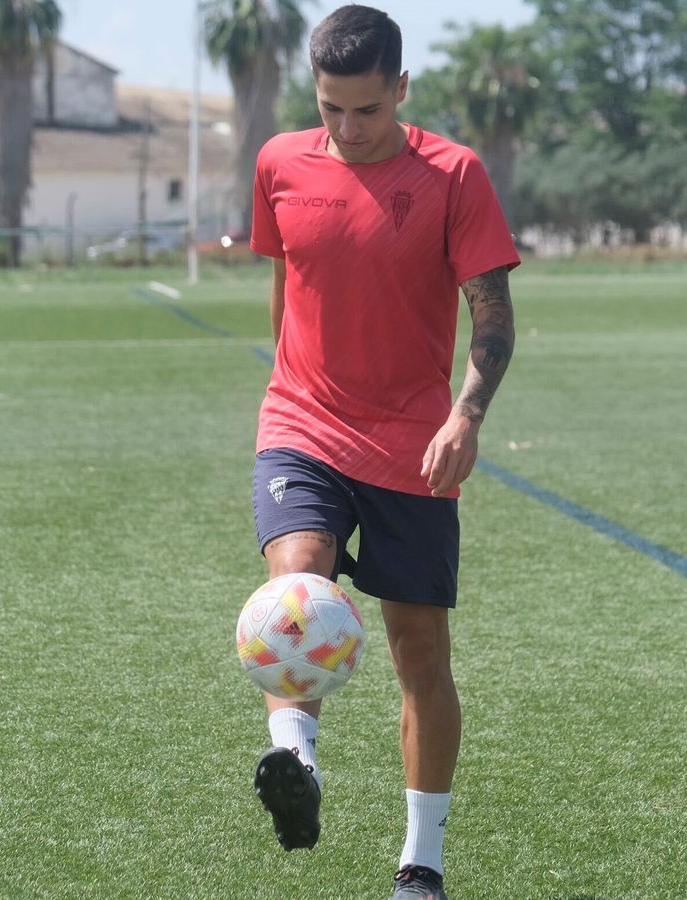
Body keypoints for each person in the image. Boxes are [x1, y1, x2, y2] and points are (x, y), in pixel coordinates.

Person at [245, 5, 520, 899]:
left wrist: (466, 417)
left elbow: (493, 316)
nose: (349, 127)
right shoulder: (278, 163)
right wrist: (285, 392)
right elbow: (287, 287)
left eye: (367, 109)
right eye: (331, 108)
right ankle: (297, 763)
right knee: (296, 588)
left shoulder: (453, 174)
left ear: (400, 88)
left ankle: (421, 864)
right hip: (302, 423)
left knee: (421, 653)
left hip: (413, 441)